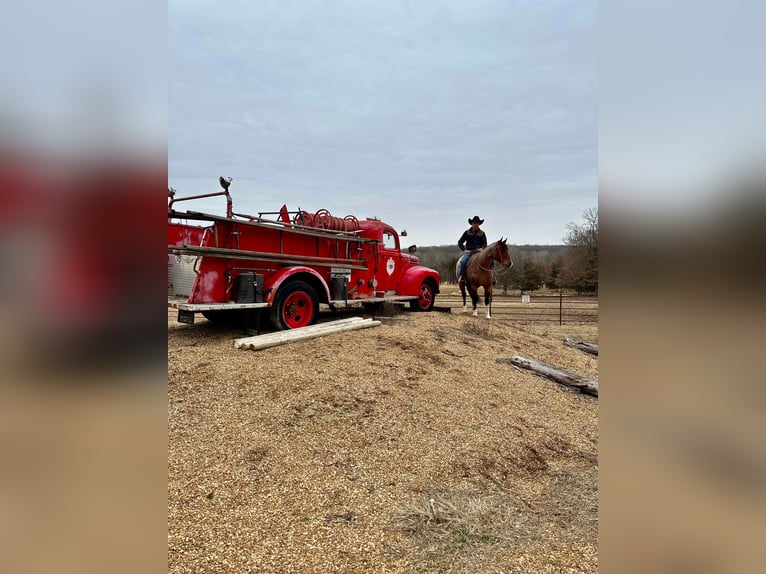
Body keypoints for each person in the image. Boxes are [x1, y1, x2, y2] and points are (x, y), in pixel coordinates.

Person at [457, 216, 487, 282]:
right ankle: (462, 277)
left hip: (479, 252)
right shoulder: (467, 232)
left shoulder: (482, 233)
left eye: (477, 223)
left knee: (491, 262)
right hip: (470, 252)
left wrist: (482, 248)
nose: (475, 224)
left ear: (479, 224)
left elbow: (485, 243)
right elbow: (460, 242)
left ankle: (492, 277)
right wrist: (464, 250)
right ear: (472, 223)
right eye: (474, 223)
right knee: (463, 262)